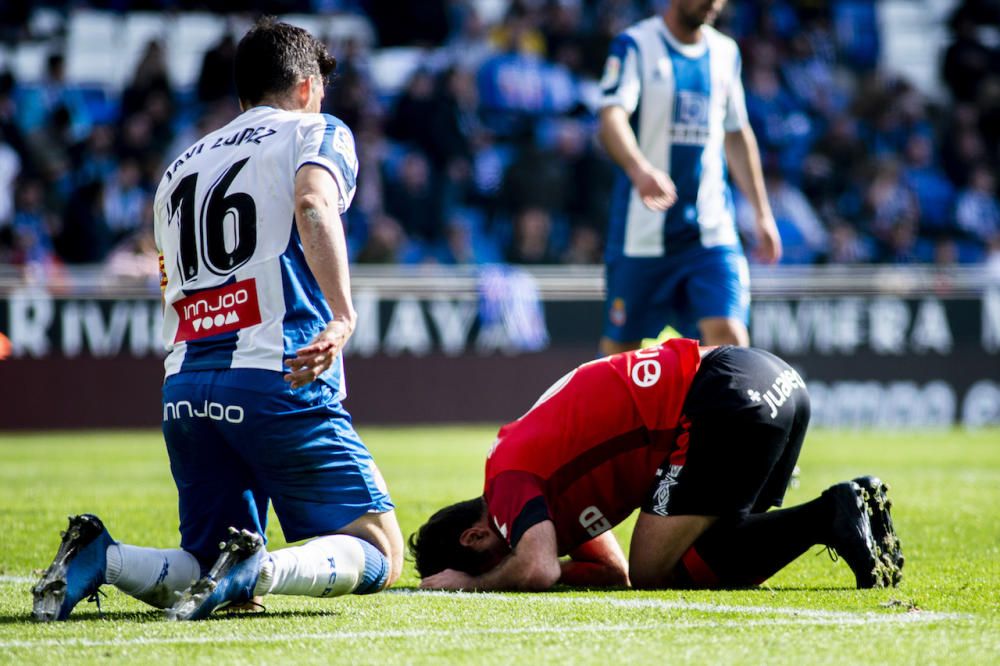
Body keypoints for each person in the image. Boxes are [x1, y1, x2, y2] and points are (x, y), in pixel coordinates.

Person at [32, 17, 404, 622]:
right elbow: (313, 203)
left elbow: (167, 278)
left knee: (203, 563)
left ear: (240, 96)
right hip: (275, 377)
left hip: (185, 388)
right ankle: (261, 567)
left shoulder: (179, 166)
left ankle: (105, 558)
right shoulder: (314, 129)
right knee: (380, 550)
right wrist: (342, 313)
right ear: (308, 87)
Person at [410, 339, 903, 591]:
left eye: (499, 555)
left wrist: (473, 583)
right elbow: (609, 570)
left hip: (722, 397)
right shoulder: (543, 496)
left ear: (475, 537)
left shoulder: (504, 485)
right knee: (699, 552)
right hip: (773, 382)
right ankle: (846, 509)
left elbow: (537, 569)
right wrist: (532, 565)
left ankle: (827, 515)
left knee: (656, 570)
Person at [597, 0, 781, 355]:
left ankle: (725, 413)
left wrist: (761, 213)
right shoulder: (635, 45)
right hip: (643, 235)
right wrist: (640, 169)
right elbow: (611, 117)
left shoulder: (726, 53)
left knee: (730, 339)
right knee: (621, 353)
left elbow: (737, 133)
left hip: (710, 230)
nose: (713, 3)